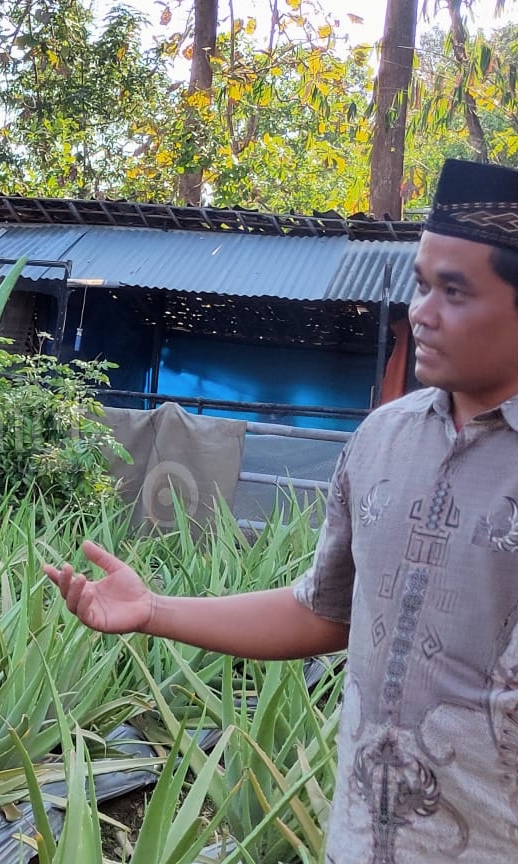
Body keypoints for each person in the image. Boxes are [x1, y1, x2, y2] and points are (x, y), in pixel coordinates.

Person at [44, 158, 518, 864]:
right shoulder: (381, 441)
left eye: (455, 291)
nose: (422, 313)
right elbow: (325, 612)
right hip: (361, 841)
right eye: (422, 284)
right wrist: (154, 611)